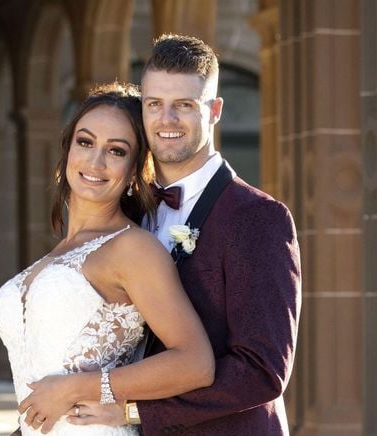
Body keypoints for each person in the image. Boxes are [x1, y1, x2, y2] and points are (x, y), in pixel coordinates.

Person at [66, 34, 302, 435]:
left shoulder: (260, 218)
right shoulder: (130, 213)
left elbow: (263, 370)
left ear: (215, 110)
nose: (167, 120)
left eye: (184, 106)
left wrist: (133, 410)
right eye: (154, 104)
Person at [0, 82, 215, 436]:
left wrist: (75, 389)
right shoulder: (58, 253)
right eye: (85, 142)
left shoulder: (133, 249)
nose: (95, 161)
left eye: (116, 151)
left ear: (134, 170)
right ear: (68, 150)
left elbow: (196, 363)